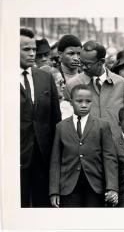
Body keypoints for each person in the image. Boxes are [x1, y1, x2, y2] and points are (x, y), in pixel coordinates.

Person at [49, 84, 118, 207]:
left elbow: (109, 158)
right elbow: (55, 161)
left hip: (95, 186)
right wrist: (54, 191)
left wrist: (112, 187)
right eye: (79, 101)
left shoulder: (102, 125)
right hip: (68, 186)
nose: (84, 105)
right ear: (71, 102)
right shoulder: (61, 127)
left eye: (88, 101)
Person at [20, 28, 61, 207]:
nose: (32, 53)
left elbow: (55, 119)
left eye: (33, 49)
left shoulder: (45, 77)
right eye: (25, 49)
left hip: (43, 158)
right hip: (15, 159)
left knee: (41, 207)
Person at [65, 40, 124, 138]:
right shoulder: (72, 85)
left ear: (101, 62)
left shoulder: (121, 83)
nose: (83, 67)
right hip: (86, 147)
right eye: (81, 62)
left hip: (116, 146)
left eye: (88, 64)